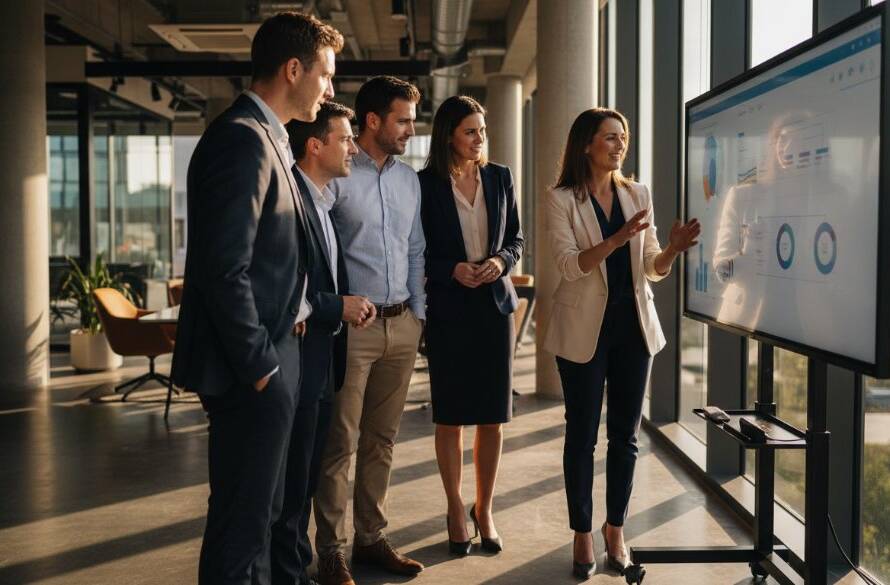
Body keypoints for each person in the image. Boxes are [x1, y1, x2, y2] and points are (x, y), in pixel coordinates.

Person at [170, 12, 342, 585]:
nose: (330, 88)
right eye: (325, 74)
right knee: (243, 528)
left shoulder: (268, 136)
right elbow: (225, 270)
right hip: (255, 369)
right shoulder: (242, 140)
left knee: (262, 518)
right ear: (294, 69)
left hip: (277, 357)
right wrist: (262, 367)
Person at [543, 108, 700, 579]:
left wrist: (670, 249)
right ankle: (582, 534)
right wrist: (615, 240)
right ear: (587, 144)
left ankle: (615, 529)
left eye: (623, 137)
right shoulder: (561, 199)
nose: (619, 145)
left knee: (625, 438)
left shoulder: (638, 193)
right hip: (582, 333)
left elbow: (651, 265)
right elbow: (570, 266)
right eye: (610, 137)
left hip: (633, 329)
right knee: (582, 436)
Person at [313, 76, 426, 585]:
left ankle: (370, 538)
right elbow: (317, 252)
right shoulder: (336, 174)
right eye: (402, 119)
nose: (410, 129)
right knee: (340, 441)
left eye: (412, 120)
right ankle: (332, 551)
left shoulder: (409, 180)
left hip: (402, 325)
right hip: (352, 330)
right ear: (373, 121)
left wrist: (419, 315)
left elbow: (416, 250)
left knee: (382, 440)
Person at [270, 102, 376, 585]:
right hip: (299, 358)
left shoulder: (324, 202)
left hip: (320, 359)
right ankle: (288, 575)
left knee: (304, 478)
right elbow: (286, 285)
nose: (353, 147)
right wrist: (339, 307)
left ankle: (295, 571)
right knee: (290, 484)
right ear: (315, 146)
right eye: (345, 138)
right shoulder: (293, 201)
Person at [417, 96, 523, 557]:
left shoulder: (500, 177)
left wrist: (500, 261)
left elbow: (516, 238)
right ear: (448, 136)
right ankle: (455, 508)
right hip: (449, 311)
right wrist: (450, 270)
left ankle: (485, 508)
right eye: (471, 132)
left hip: (494, 309)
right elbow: (413, 249)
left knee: (492, 417)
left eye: (482, 130)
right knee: (451, 416)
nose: (480, 139)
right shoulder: (424, 185)